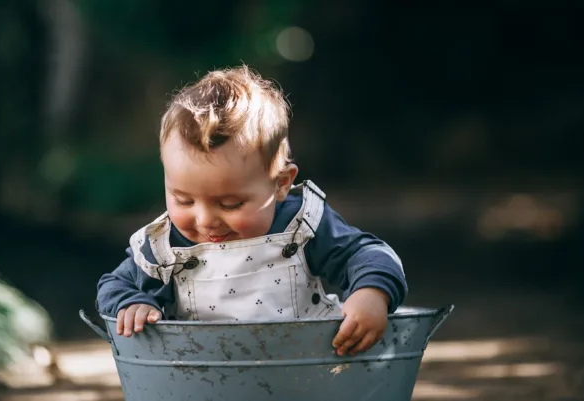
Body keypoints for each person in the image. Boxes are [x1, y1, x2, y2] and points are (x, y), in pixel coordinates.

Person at [96, 65, 407, 357]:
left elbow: (370, 253)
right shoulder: (164, 247)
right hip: (203, 380)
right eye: (184, 200)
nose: (205, 220)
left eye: (230, 204)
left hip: (307, 372)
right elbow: (113, 285)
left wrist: (371, 292)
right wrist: (131, 303)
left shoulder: (301, 226)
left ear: (281, 184)